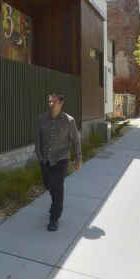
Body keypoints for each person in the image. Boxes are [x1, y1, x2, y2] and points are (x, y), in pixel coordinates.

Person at [35, 94, 82, 232]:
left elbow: (75, 141)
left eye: (54, 101)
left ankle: (54, 218)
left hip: (61, 159)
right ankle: (55, 200)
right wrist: (39, 155)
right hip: (45, 159)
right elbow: (37, 139)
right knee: (48, 184)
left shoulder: (69, 121)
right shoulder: (41, 119)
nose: (51, 104)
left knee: (57, 186)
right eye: (50, 101)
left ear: (61, 103)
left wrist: (78, 159)